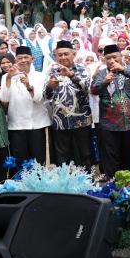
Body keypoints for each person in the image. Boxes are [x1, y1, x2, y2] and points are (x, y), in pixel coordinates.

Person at [90, 44, 130, 179]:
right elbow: (93, 90)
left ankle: (128, 182)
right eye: (108, 58)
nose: (112, 60)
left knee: (128, 154)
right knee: (111, 155)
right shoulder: (101, 73)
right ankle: (113, 183)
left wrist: (123, 70)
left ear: (121, 57)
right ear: (104, 59)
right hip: (109, 124)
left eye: (115, 57)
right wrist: (104, 82)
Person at [44, 40, 92, 168]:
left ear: (73, 54)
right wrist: (49, 87)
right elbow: (44, 96)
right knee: (63, 156)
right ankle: (65, 185)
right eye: (60, 55)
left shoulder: (82, 69)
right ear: (55, 56)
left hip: (81, 120)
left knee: (84, 154)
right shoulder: (50, 72)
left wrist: (71, 75)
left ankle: (86, 183)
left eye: (66, 54)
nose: (63, 57)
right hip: (60, 121)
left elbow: (87, 89)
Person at [0, 46, 49, 164]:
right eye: (20, 58)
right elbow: (4, 98)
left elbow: (38, 98)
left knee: (38, 161)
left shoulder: (40, 76)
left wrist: (29, 86)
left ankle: (38, 182)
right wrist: (9, 78)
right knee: (20, 161)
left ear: (32, 59)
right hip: (16, 125)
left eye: (26, 57)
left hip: (36, 124)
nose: (23, 60)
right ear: (16, 60)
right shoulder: (6, 76)